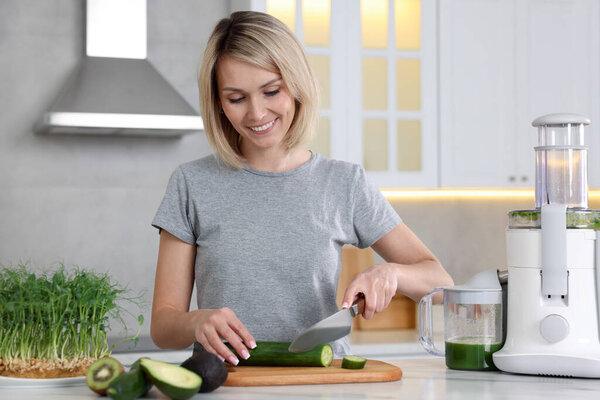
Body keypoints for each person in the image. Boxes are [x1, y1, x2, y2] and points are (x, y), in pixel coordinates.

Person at [150, 11, 453, 365]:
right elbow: (162, 326)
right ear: (218, 102)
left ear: (296, 85)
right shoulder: (191, 184)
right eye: (237, 98)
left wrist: (392, 273)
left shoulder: (344, 183)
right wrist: (195, 321)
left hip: (323, 382)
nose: (257, 113)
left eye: (271, 91)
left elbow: (442, 286)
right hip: (226, 385)